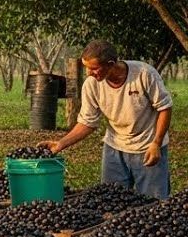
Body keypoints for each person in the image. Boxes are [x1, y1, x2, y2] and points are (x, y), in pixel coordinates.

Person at [40, 40, 173, 199]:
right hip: (115, 148)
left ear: (111, 64)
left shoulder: (144, 74)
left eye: (94, 68)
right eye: (86, 67)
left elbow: (164, 108)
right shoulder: (91, 84)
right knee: (110, 198)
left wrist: (156, 143)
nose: (89, 73)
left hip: (148, 146)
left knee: (153, 202)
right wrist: (61, 143)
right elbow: (87, 122)